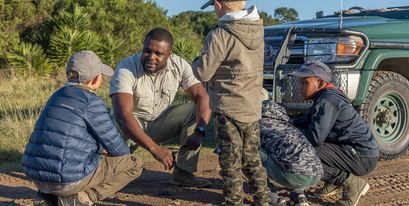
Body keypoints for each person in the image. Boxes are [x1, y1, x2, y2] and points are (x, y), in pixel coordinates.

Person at [22, 51, 143, 206]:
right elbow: (116, 147)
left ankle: (47, 197)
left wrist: (98, 149)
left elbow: (67, 137)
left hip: (36, 176)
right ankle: (81, 198)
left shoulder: (56, 95)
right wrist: (121, 156)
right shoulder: (91, 101)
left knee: (57, 156)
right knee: (135, 164)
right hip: (65, 180)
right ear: (95, 78)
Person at [109, 28, 212, 188]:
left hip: (160, 122)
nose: (151, 57)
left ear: (169, 55)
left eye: (158, 53)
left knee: (194, 111)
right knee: (112, 177)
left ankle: (183, 174)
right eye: (147, 51)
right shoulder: (126, 67)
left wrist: (199, 132)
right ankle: (114, 170)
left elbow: (202, 96)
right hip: (129, 126)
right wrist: (154, 149)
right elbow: (123, 116)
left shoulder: (178, 64)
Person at [191, 1, 270, 205]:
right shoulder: (258, 29)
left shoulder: (220, 34)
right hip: (252, 106)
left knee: (230, 160)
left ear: (219, 4)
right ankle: (263, 199)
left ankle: (234, 201)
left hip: (229, 108)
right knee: (252, 157)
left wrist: (195, 62)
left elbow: (203, 72)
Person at [287, 61, 379, 206]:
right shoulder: (325, 97)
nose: (300, 87)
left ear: (320, 83)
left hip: (362, 157)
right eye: (299, 82)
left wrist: (291, 134)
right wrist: (288, 123)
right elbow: (305, 121)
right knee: (307, 147)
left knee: (304, 152)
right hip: (356, 151)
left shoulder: (327, 100)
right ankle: (335, 182)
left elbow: (314, 139)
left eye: (304, 82)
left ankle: (350, 183)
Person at [259, 99, 323, 206]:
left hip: (293, 176)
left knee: (247, 152)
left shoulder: (260, 125)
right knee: (289, 157)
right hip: (316, 174)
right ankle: (298, 197)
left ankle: (271, 200)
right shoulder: (289, 126)